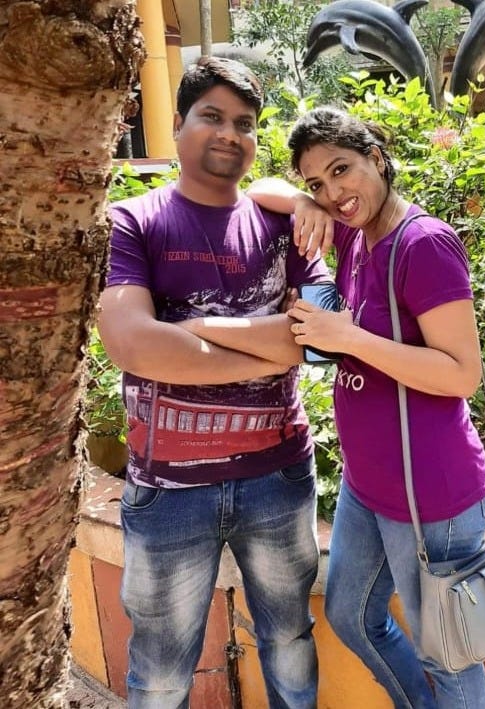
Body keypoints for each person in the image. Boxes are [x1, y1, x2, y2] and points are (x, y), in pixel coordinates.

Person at [97, 57, 331, 709]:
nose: (230, 133)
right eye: (212, 116)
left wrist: (196, 331)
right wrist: (270, 348)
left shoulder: (287, 225)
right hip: (168, 489)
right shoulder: (132, 222)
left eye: (245, 123)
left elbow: (323, 338)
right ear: (177, 124)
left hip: (278, 477)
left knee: (290, 640)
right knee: (161, 673)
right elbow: (134, 345)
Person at [242, 107, 485, 708]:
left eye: (342, 170)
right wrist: (301, 203)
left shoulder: (424, 244)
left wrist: (349, 338)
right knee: (352, 614)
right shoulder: (355, 233)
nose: (334, 193)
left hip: (430, 493)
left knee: (447, 653)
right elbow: (257, 188)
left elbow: (463, 374)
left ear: (376, 158)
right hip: (369, 484)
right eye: (317, 183)